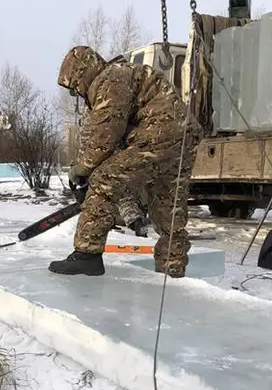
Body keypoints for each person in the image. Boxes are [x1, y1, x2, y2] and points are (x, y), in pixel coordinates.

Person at [49, 45, 198, 278]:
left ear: (83, 73)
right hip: (182, 138)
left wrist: (82, 169)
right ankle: (172, 271)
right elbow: (115, 137)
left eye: (75, 85)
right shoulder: (122, 75)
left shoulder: (110, 78)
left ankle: (87, 255)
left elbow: (105, 134)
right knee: (169, 210)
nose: (77, 91)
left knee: (103, 180)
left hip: (157, 134)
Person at [75, 111, 151, 237]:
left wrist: (82, 167)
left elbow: (87, 145)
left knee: (103, 196)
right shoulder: (119, 108)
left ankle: (98, 229)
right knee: (123, 194)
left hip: (102, 159)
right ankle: (136, 222)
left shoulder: (93, 115)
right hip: (120, 157)